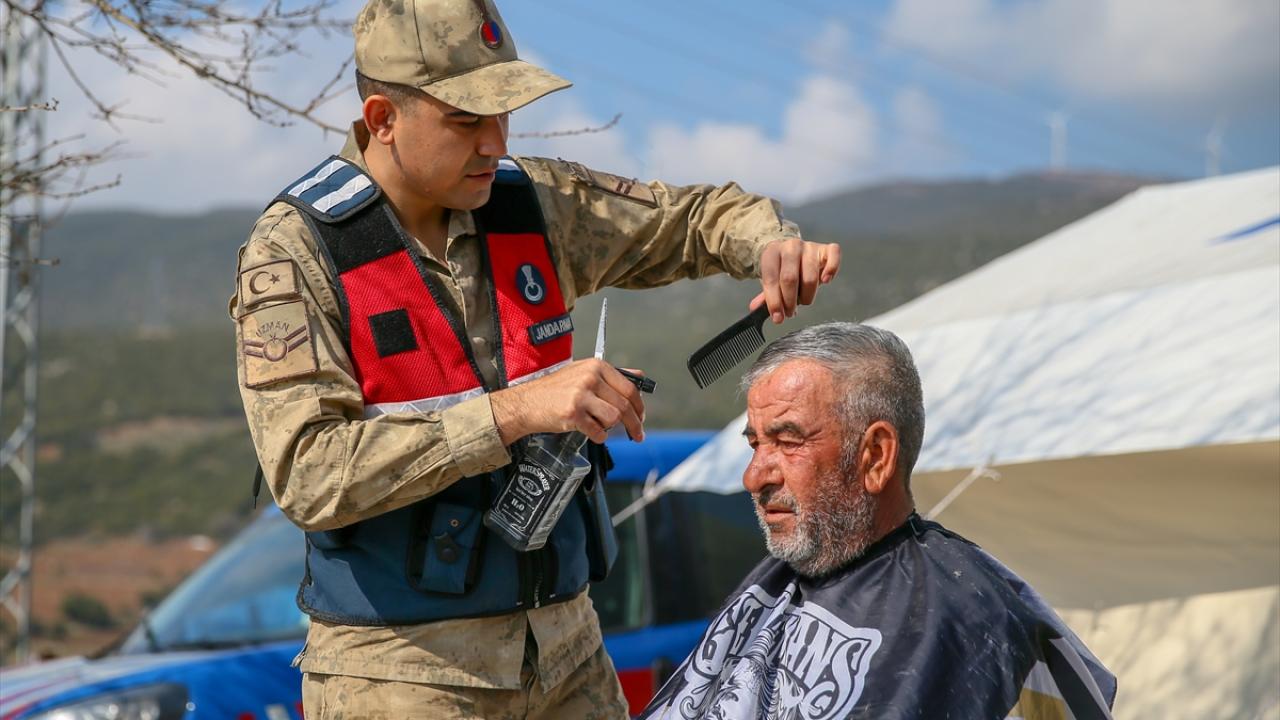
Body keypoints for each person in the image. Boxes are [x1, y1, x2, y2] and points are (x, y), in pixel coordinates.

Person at [228, 0, 840, 717]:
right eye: (466, 120)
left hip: (568, 651)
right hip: (401, 676)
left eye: (504, 114)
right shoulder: (293, 252)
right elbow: (307, 473)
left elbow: (692, 216)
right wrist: (517, 412)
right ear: (382, 118)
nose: (494, 143)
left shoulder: (531, 203)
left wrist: (768, 244)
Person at [639, 323, 1117, 720]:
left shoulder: (967, 619)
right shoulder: (777, 586)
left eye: (788, 442)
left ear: (875, 456)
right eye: (755, 444)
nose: (753, 477)